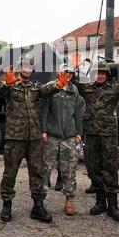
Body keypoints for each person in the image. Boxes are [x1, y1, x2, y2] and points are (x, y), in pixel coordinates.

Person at [0, 57, 71, 223]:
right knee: (10, 173)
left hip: (34, 138)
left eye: (30, 67)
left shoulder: (36, 86)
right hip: (15, 137)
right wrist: (6, 84)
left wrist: (57, 85)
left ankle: (38, 206)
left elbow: (46, 90)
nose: (27, 69)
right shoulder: (11, 83)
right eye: (24, 66)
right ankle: (7, 205)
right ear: (20, 68)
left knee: (37, 173)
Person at [72, 55, 119, 221]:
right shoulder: (87, 89)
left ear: (107, 75)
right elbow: (73, 82)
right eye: (97, 73)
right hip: (92, 135)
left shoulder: (114, 89)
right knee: (94, 168)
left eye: (103, 73)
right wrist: (74, 68)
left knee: (110, 168)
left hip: (108, 135)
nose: (100, 75)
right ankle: (100, 203)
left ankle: (113, 206)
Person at [40, 63, 83, 215]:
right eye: (65, 72)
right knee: (45, 169)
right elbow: (44, 110)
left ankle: (69, 200)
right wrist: (43, 130)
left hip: (69, 136)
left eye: (70, 72)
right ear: (59, 72)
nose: (68, 75)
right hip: (51, 135)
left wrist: (79, 132)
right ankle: (40, 201)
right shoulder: (51, 87)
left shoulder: (74, 90)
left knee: (70, 170)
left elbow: (78, 112)